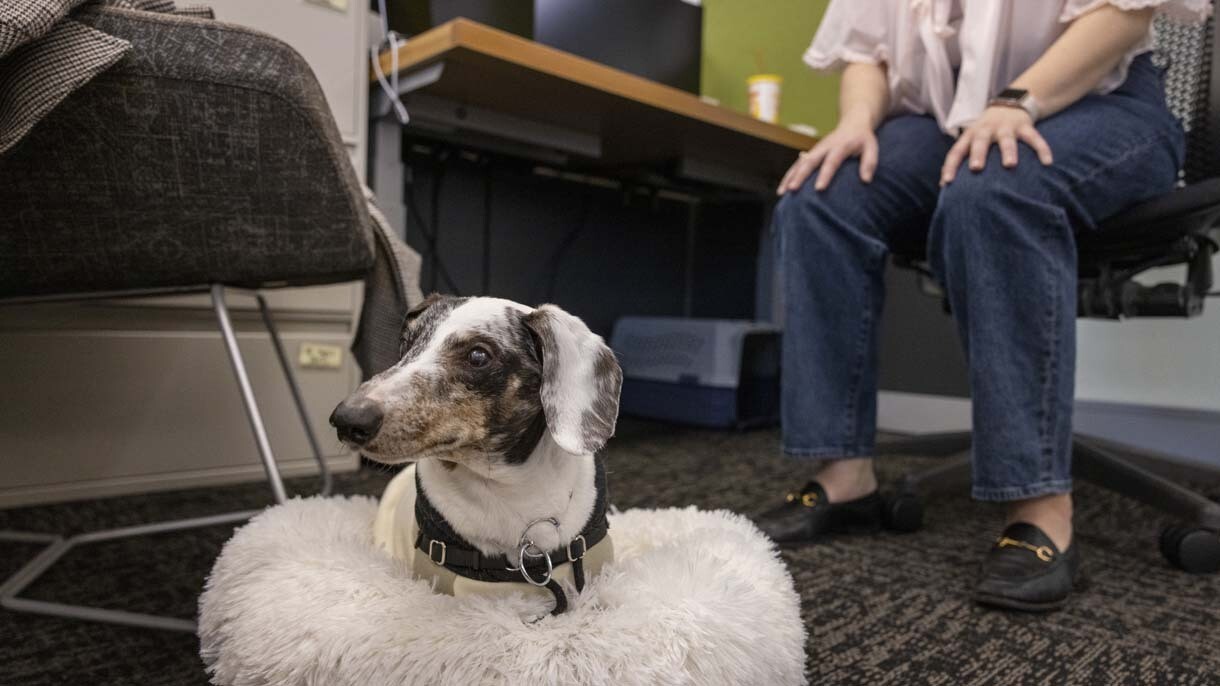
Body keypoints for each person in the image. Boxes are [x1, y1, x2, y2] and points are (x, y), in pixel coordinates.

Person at [758, 0, 1208, 611]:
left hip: (1107, 108)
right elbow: (869, 54)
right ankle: (844, 475)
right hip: (949, 121)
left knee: (993, 186)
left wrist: (1016, 102)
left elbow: (1121, 17)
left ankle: (1040, 504)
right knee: (820, 197)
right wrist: (858, 120)